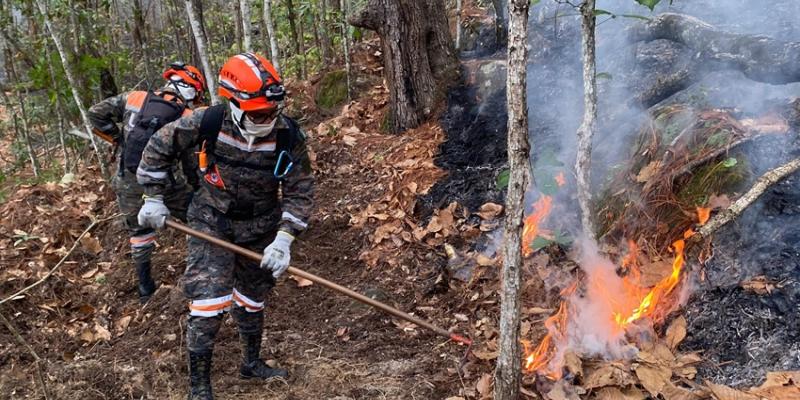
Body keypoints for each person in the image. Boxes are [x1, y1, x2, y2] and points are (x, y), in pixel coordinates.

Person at [136, 52, 313, 400]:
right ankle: (199, 387)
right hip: (211, 222)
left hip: (261, 227)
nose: (267, 118)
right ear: (235, 103)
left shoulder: (289, 136)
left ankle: (251, 363)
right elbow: (157, 147)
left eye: (271, 111)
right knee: (209, 300)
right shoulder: (208, 122)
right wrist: (152, 196)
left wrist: (285, 238)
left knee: (251, 298)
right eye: (259, 113)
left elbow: (300, 190)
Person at [88, 62, 208, 303]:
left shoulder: (134, 97)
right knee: (199, 219)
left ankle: (145, 288)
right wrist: (198, 189)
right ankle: (202, 273)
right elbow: (190, 163)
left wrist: (116, 137)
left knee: (139, 232)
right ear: (192, 89)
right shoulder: (187, 116)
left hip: (127, 179)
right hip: (167, 182)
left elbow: (95, 113)